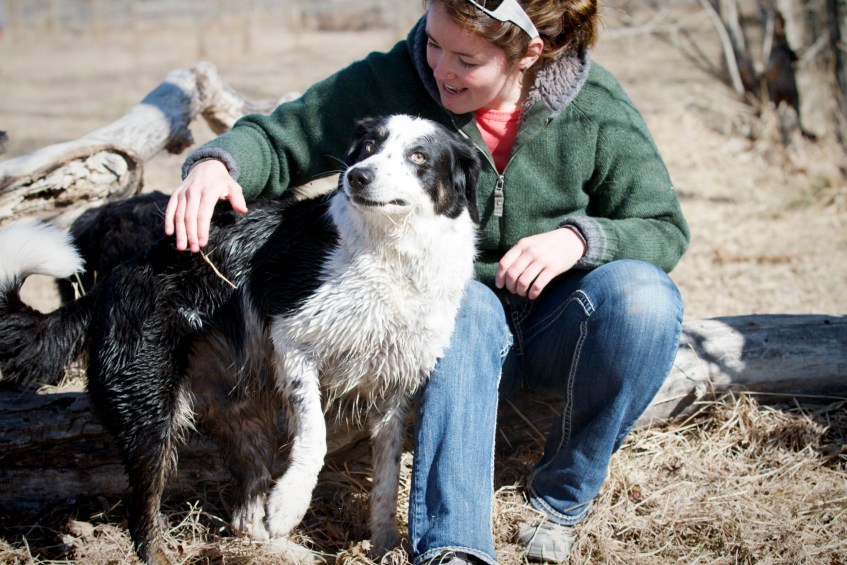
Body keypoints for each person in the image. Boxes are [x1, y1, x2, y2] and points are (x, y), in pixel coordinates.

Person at [164, 0, 690, 563]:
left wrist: (579, 240)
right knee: (470, 307)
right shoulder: (394, 78)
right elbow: (282, 137)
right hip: (456, 322)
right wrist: (219, 163)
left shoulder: (596, 107)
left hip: (558, 324)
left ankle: (560, 501)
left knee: (646, 297)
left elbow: (663, 226)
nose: (440, 68)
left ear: (528, 54)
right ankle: (453, 546)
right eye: (434, 43)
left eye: (467, 59)